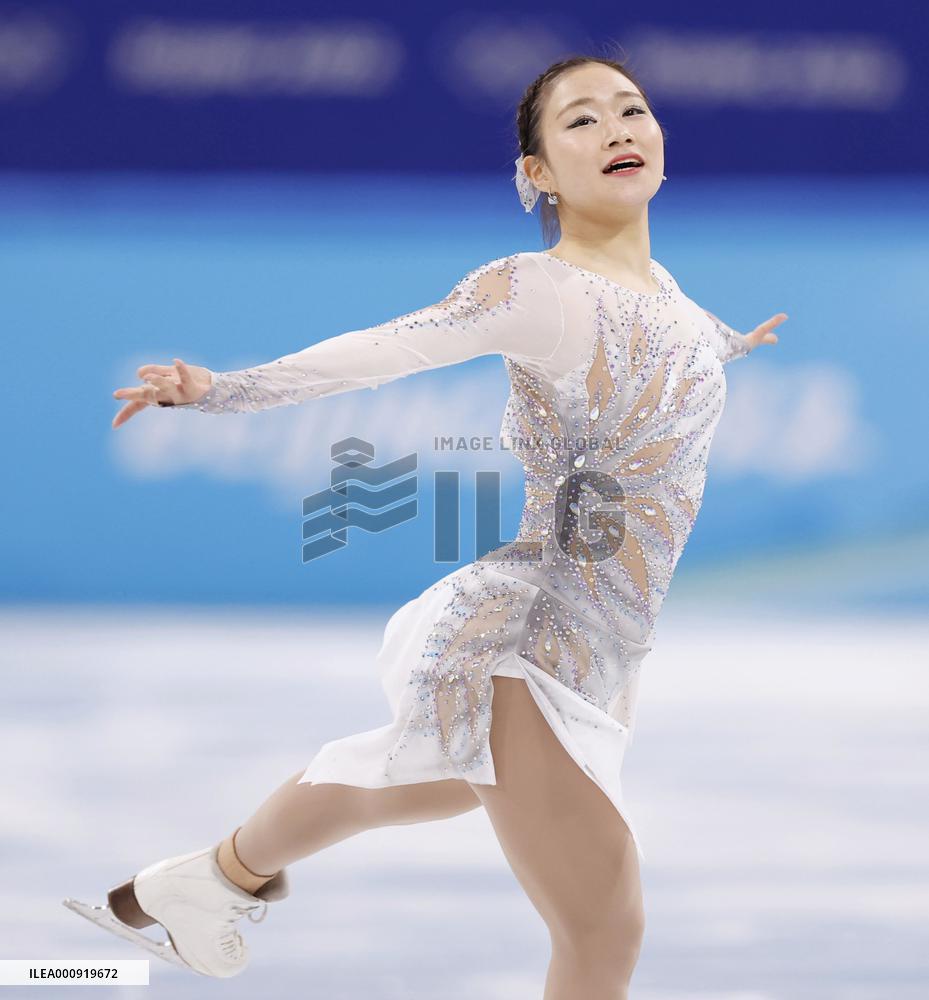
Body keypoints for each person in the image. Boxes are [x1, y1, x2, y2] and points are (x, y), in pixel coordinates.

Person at [64, 54, 786, 999]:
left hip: (607, 645)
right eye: (580, 120)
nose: (616, 128)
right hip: (533, 637)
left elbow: (672, 341)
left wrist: (732, 342)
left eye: (631, 109)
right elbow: (384, 351)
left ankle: (212, 879)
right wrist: (224, 389)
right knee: (603, 928)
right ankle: (213, 879)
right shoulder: (533, 288)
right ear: (536, 172)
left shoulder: (670, 295)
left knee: (428, 781)